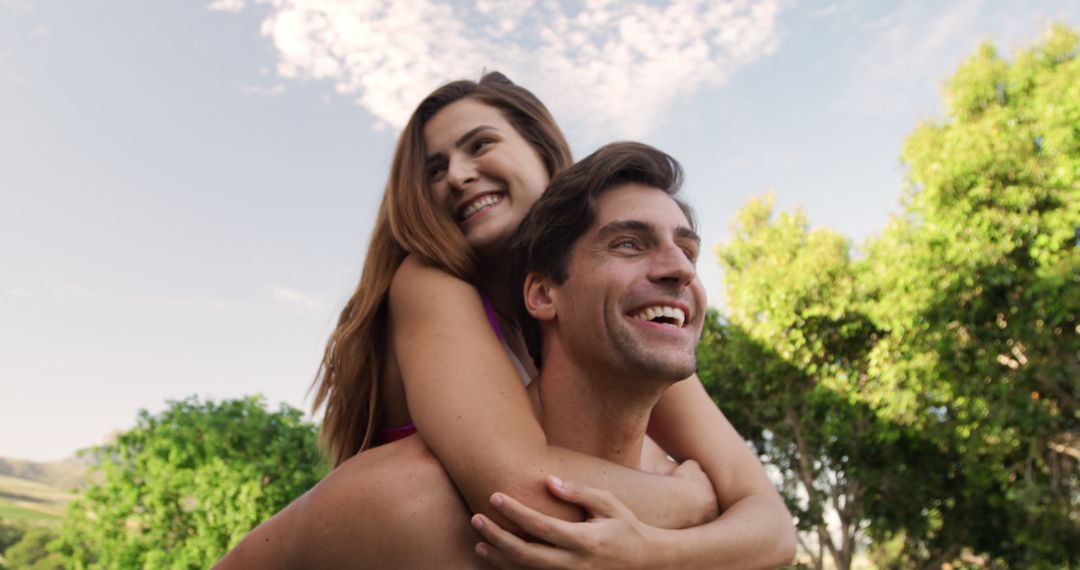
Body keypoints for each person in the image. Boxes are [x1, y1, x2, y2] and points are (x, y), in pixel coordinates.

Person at [221, 73, 796, 567]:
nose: (458, 175)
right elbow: (521, 492)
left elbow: (768, 520)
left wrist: (647, 550)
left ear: (544, 152)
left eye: (480, 145)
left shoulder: (617, 318)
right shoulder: (430, 282)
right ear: (540, 294)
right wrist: (692, 500)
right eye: (435, 169)